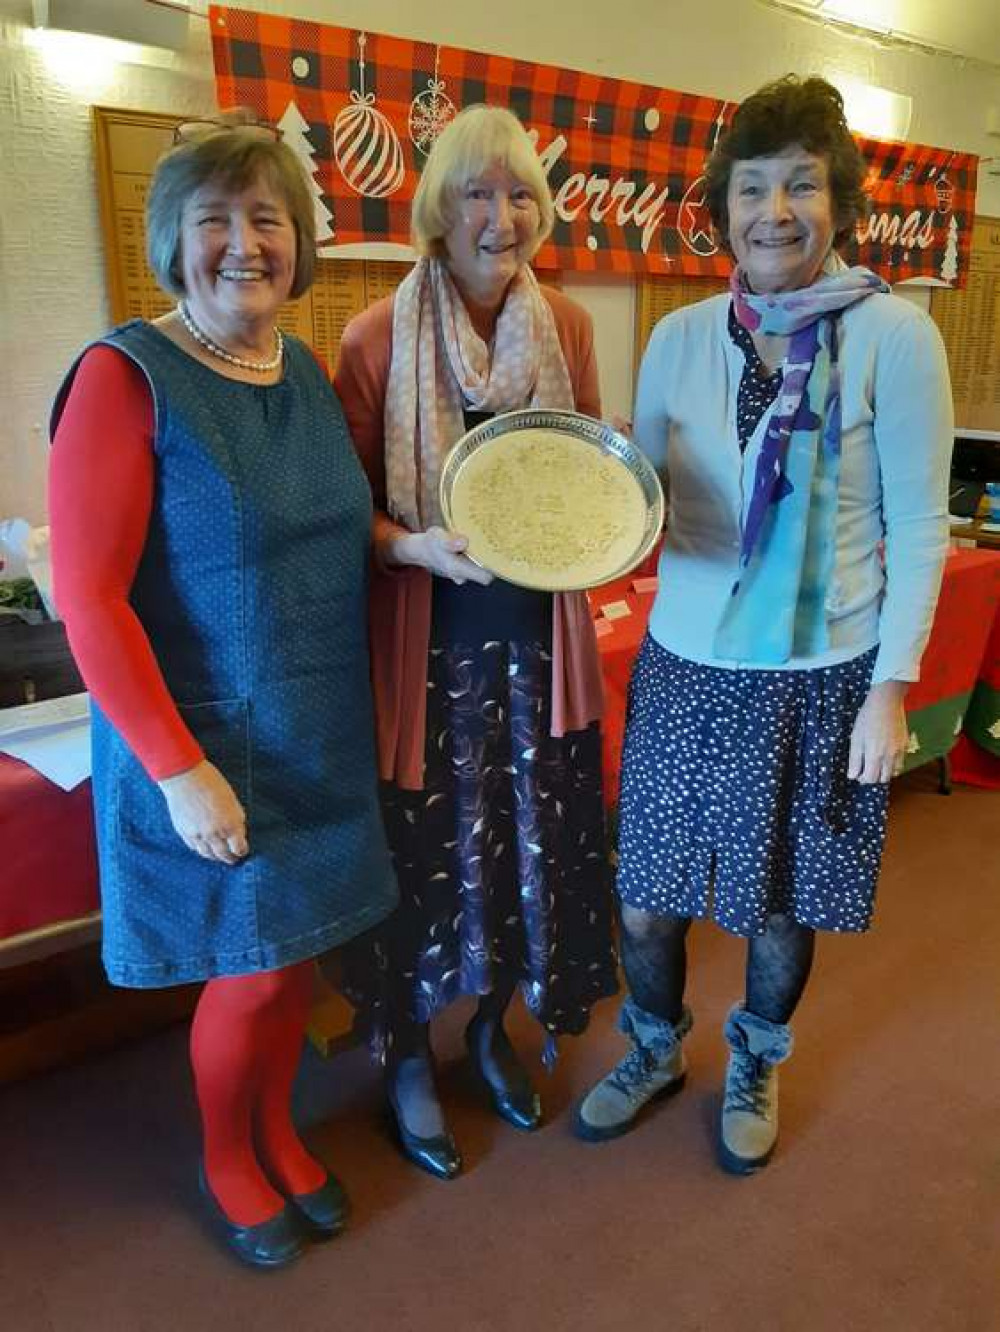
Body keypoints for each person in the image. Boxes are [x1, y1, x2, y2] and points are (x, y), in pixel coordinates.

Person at [575, 76, 953, 1173]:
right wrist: (565, 498)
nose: (774, 211)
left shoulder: (894, 336)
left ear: (837, 200)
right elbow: (636, 506)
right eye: (753, 189)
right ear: (721, 207)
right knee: (646, 901)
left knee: (779, 906)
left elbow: (921, 525)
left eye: (800, 185)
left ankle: (756, 1054)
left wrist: (892, 684)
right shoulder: (681, 337)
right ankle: (652, 1048)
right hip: (686, 663)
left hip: (821, 671)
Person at [48, 115, 398, 1266]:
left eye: (268, 220)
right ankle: (227, 1151)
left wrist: (417, 549)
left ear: (298, 242)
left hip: (318, 724)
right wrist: (174, 768)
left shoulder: (300, 366)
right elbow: (90, 601)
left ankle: (277, 1129)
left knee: (297, 960)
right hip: (207, 747)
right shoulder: (122, 377)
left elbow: (336, 532)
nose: (245, 244)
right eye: (215, 221)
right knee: (248, 978)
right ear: (172, 243)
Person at [333, 105, 618, 1180]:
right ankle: (405, 1058)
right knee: (421, 870)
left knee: (530, 859)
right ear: (436, 214)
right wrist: (411, 552)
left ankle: (491, 1028)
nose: (502, 218)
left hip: (539, 654)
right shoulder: (373, 339)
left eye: (520, 196)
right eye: (477, 195)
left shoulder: (569, 330)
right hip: (426, 655)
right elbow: (343, 513)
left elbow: (589, 472)